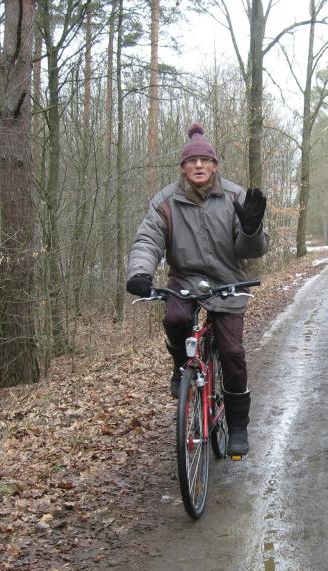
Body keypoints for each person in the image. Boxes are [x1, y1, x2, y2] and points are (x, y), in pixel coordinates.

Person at [125, 123, 268, 456]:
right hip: (185, 280)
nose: (199, 165)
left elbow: (253, 250)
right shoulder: (165, 202)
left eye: (205, 160)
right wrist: (141, 272)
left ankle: (237, 426)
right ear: (183, 167)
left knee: (232, 353)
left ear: (215, 165)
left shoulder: (235, 197)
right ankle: (181, 368)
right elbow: (147, 239)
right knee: (175, 319)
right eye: (192, 161)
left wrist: (251, 230)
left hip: (229, 281)